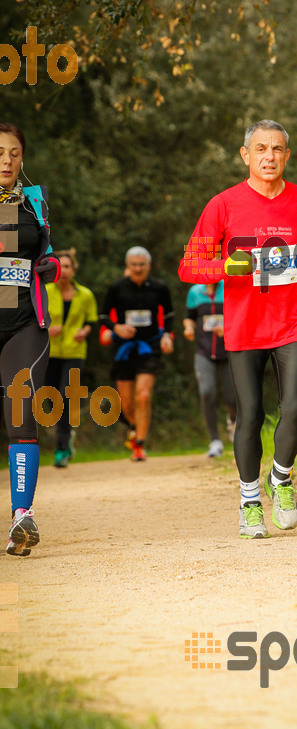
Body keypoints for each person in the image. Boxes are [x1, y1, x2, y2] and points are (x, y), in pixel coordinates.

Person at [179, 119, 297, 539]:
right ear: (246, 155)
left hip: (295, 320)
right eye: (261, 149)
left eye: (277, 149)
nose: (269, 157)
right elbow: (188, 267)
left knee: (295, 407)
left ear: (287, 156)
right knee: (251, 415)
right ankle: (249, 502)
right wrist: (225, 266)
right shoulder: (223, 205)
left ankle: (279, 479)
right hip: (245, 326)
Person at [0, 122, 61, 556]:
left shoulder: (33, 200)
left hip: (24, 325)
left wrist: (51, 268)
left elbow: (49, 252)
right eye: (0, 152)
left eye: (14, 153)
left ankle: (23, 516)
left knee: (21, 415)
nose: (7, 160)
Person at [100, 246, 174, 461]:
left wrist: (167, 335)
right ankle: (133, 426)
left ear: (149, 265)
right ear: (128, 266)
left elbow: (169, 315)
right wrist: (115, 328)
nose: (138, 268)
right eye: (134, 264)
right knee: (126, 402)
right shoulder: (117, 287)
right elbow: (103, 315)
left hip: (149, 347)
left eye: (142, 264)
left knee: (143, 395)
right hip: (124, 348)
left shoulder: (160, 288)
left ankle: (139, 444)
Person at [45, 248, 98, 467]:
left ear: (73, 269)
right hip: (50, 352)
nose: (64, 271)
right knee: (50, 398)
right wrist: (46, 328)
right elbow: (35, 318)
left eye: (67, 266)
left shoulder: (85, 294)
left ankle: (61, 447)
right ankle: (67, 437)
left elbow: (92, 321)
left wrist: (85, 331)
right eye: (60, 266)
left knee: (67, 396)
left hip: (75, 352)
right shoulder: (45, 291)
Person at [183, 281, 236, 457]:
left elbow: (242, 315)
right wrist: (189, 327)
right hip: (204, 353)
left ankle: (234, 423)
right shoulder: (195, 291)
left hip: (229, 352)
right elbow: (189, 316)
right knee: (206, 392)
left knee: (231, 396)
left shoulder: (230, 287)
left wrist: (228, 328)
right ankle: (215, 441)